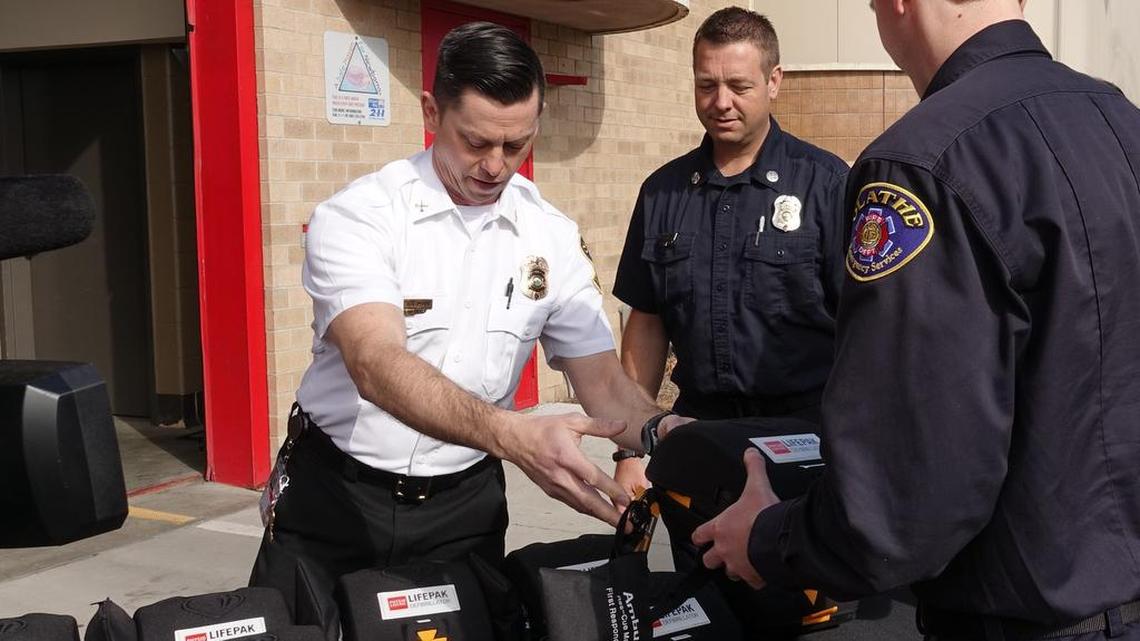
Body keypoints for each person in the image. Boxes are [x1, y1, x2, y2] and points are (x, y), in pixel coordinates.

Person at [693, 1, 1140, 639]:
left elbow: (907, 491)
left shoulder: (923, 164)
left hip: (1021, 614)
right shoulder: (1121, 121)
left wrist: (770, 540)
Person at [249, 21, 686, 625]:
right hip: (337, 500)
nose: (495, 166)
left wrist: (669, 433)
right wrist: (514, 436)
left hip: (463, 510)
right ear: (432, 112)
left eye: (516, 145)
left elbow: (604, 382)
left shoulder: (550, 235)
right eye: (476, 142)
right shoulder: (361, 217)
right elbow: (375, 363)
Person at [610, 7, 848, 495]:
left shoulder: (827, 185)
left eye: (739, 86)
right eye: (706, 85)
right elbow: (647, 322)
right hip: (699, 435)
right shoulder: (663, 192)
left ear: (774, 81)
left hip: (805, 441)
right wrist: (630, 448)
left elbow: (866, 325)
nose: (721, 102)